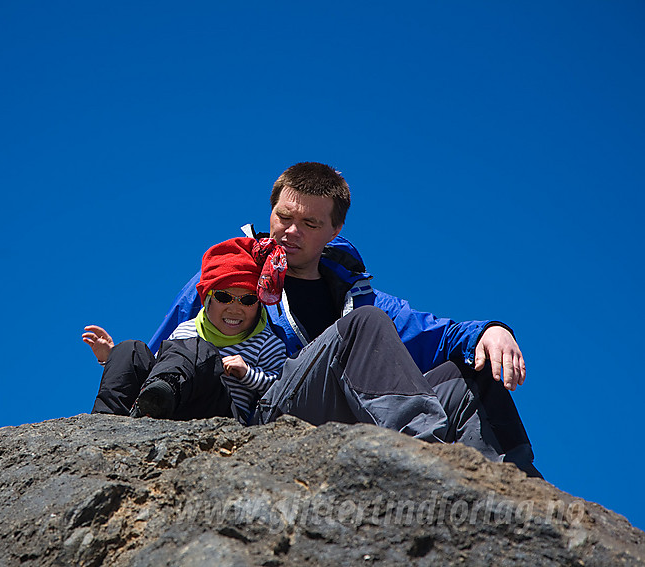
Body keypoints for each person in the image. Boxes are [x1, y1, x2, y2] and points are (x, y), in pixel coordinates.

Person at [149, 162, 541, 477]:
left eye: (310, 224)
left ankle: (511, 485)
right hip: (267, 415)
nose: (291, 232)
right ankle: (426, 457)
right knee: (364, 324)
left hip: (347, 421)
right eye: (283, 216)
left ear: (335, 229)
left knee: (472, 371)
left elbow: (437, 335)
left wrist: (491, 331)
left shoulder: (359, 297)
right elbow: (169, 353)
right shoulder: (230, 277)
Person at [85, 237, 288, 424]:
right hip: (172, 406)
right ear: (207, 299)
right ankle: (106, 421)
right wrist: (111, 359)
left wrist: (248, 373)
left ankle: (161, 398)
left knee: (200, 349)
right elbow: (158, 368)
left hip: (221, 415)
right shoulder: (187, 329)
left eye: (248, 300)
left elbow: (281, 389)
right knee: (130, 349)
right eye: (224, 298)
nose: (235, 308)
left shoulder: (267, 343)